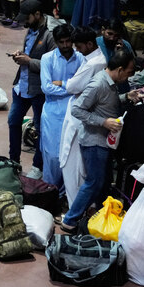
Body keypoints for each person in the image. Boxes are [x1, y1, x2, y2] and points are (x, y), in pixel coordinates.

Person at [59, 50, 134, 234]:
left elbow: (105, 103)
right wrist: (103, 122)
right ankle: (70, 220)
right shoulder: (98, 84)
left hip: (104, 141)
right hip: (94, 141)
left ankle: (103, 216)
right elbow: (77, 109)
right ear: (119, 69)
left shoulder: (111, 83)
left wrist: (126, 98)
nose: (129, 76)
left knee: (104, 181)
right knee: (94, 181)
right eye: (129, 72)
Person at [6, 0, 57, 179]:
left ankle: (38, 165)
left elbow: (55, 66)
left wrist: (29, 62)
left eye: (27, 18)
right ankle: (13, 162)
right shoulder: (31, 30)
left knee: (40, 128)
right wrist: (20, 56)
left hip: (38, 90)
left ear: (37, 15)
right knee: (13, 121)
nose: (24, 22)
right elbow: (30, 54)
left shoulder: (51, 35)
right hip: (22, 87)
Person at [39, 24, 85, 190]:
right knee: (52, 156)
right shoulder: (47, 59)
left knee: (71, 156)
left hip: (75, 113)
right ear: (56, 42)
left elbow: (85, 85)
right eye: (62, 42)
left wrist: (63, 84)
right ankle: (50, 191)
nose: (65, 46)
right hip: (53, 113)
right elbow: (46, 87)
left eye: (68, 42)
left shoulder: (81, 58)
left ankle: (67, 193)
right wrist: (73, 87)